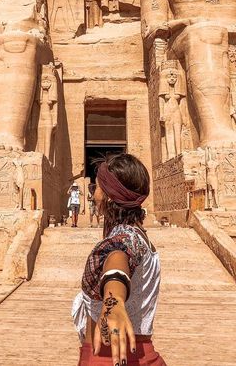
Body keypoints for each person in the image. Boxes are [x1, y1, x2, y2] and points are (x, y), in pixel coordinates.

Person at [72, 153, 166, 366]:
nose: (94, 194)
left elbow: (117, 259)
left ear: (107, 194)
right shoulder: (139, 235)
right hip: (141, 354)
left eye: (96, 187)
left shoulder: (123, 239)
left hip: (110, 357)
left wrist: (112, 303)